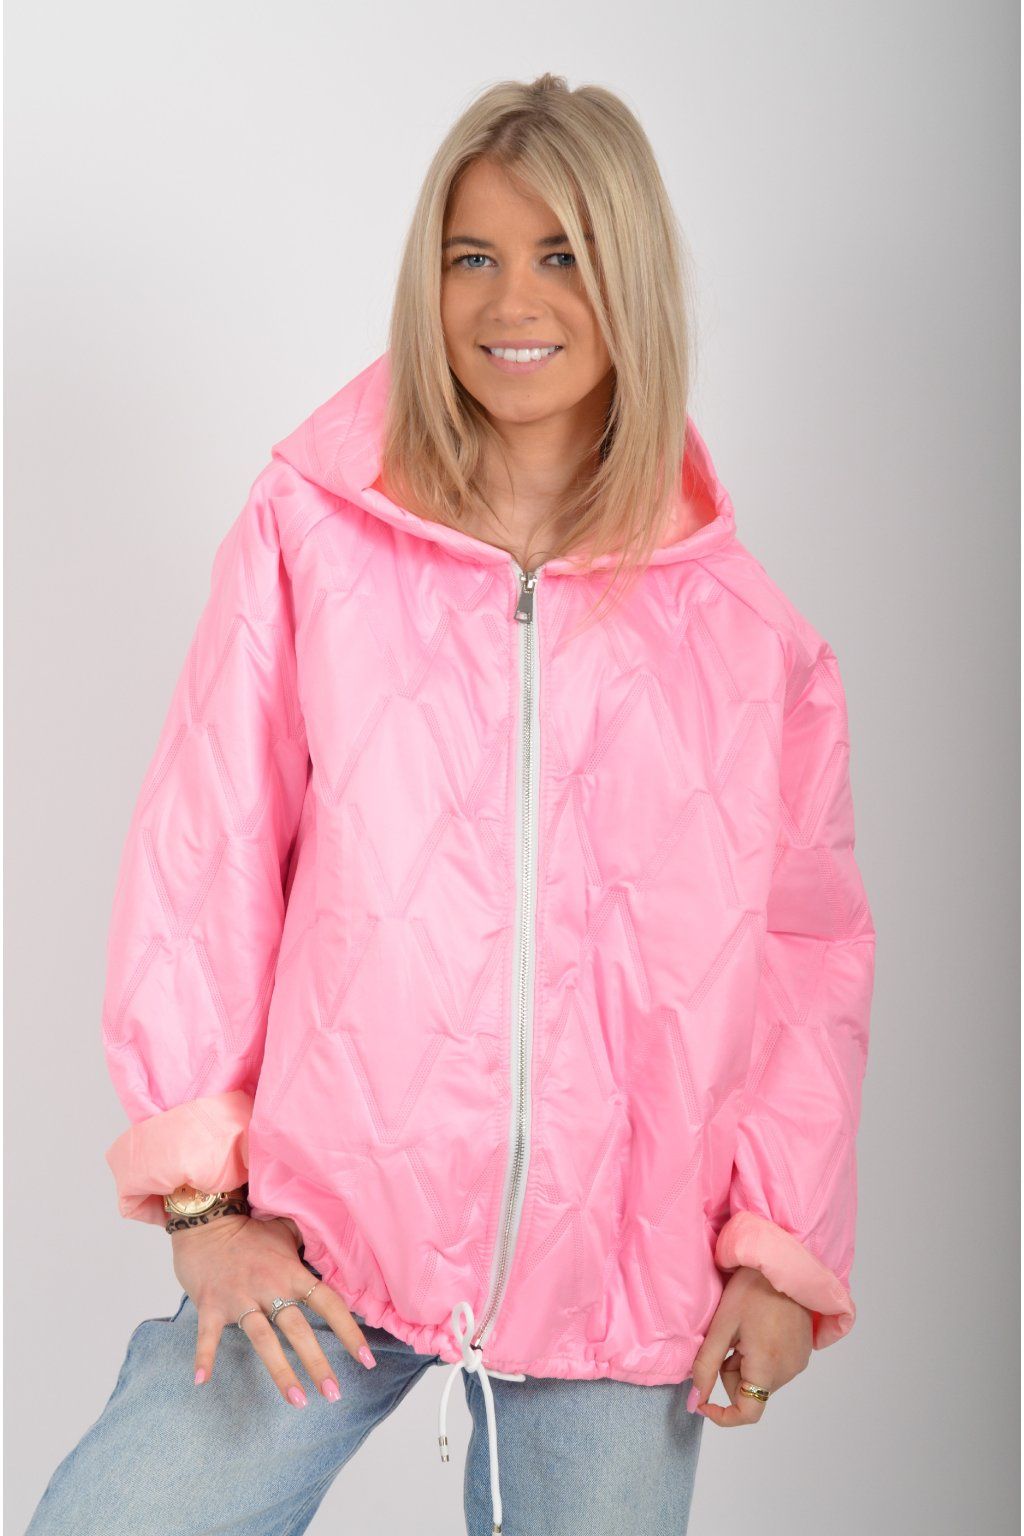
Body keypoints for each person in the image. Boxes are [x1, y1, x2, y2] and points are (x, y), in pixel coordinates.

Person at [27, 71, 876, 1536]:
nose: (509, 300)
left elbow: (807, 956)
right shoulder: (315, 536)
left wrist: (777, 1249)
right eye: (470, 255)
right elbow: (208, 851)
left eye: (563, 255)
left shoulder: (745, 635)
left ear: (632, 280)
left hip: (614, 1276)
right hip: (327, 1235)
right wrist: (205, 1211)